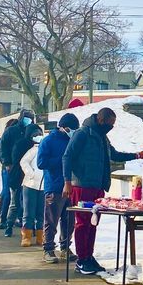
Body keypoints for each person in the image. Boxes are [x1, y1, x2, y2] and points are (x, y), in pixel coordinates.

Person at [63, 108, 143, 275]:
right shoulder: (82, 133)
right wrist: (67, 182)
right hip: (82, 185)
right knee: (82, 222)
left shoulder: (102, 136)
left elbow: (114, 155)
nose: (111, 127)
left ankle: (88, 256)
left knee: (93, 222)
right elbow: (67, 157)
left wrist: (136, 155)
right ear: (101, 120)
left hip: (98, 186)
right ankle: (81, 259)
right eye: (110, 124)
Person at [38, 113, 80, 264]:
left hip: (71, 186)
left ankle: (65, 247)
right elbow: (41, 163)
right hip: (55, 185)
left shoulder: (73, 140)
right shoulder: (48, 141)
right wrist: (64, 159)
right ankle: (48, 249)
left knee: (69, 220)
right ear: (64, 127)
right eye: (72, 129)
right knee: (51, 219)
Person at [1, 110, 36, 237]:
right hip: (15, 170)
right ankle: (8, 223)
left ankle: (27, 225)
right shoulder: (11, 131)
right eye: (27, 118)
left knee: (29, 202)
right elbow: (3, 148)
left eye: (31, 118)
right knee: (13, 199)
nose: (29, 120)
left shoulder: (33, 133)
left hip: (31, 172)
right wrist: (7, 163)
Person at [19, 124, 45, 247]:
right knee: (28, 212)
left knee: (41, 213)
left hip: (44, 186)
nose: (38, 137)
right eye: (36, 136)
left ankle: (41, 236)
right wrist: (31, 174)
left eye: (40, 135)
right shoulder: (33, 150)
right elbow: (23, 162)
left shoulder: (45, 149)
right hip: (30, 185)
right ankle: (26, 236)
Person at [0, 118, 18, 222]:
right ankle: (4, 215)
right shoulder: (13, 136)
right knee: (9, 192)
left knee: (6, 191)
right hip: (10, 166)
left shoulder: (6, 136)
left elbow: (0, 152)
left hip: (7, 166)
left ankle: (2, 214)